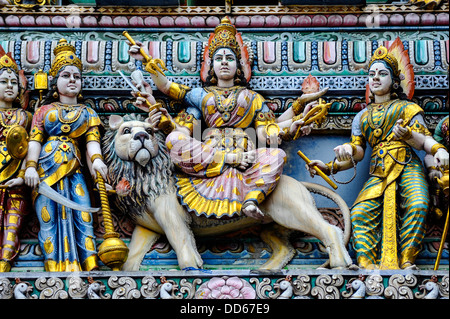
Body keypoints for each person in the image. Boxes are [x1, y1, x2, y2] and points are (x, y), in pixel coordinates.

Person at [128, 17, 324, 220]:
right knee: (174, 141)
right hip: (210, 157)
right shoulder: (200, 95)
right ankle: (228, 162)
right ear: (210, 66)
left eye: (229, 58)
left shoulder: (252, 98)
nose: (223, 62)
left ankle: (251, 199)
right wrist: (146, 61)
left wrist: (291, 126)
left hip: (247, 158)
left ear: (239, 66)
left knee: (276, 156)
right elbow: (167, 88)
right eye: (218, 58)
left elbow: (267, 133)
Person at [306, 39, 449, 270]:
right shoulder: (361, 117)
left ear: (394, 80)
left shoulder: (408, 109)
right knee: (360, 213)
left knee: (419, 204)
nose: (375, 78)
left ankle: (407, 259)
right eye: (372, 74)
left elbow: (423, 140)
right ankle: (366, 264)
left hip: (406, 166)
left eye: (382, 73)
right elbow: (358, 151)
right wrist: (331, 165)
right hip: (379, 170)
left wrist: (435, 147)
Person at [24, 39, 108, 272]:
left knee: (83, 216)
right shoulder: (44, 111)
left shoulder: (87, 113)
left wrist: (98, 163)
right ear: (55, 82)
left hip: (75, 169)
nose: (72, 80)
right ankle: (53, 266)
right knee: (48, 219)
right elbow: (35, 140)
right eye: (65, 75)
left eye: (77, 76)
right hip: (44, 173)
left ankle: (89, 264)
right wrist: (30, 167)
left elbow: (92, 144)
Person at [0, 46, 32, 272]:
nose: (10, 86)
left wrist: (22, 175)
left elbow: (30, 149)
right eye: (4, 82)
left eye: (13, 82)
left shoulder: (25, 116)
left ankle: (5, 262)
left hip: (16, 181)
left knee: (13, 225)